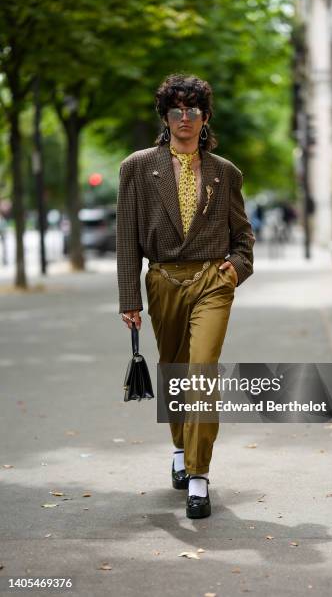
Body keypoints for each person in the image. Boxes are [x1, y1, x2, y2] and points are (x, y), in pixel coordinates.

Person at [116, 73, 255, 518]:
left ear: (205, 117)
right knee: (175, 368)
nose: (184, 119)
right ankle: (180, 447)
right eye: (175, 111)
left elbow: (243, 235)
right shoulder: (138, 167)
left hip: (212, 282)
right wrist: (129, 298)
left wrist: (235, 269)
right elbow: (126, 239)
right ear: (165, 117)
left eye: (192, 111)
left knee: (201, 371)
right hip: (162, 281)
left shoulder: (225, 172)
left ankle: (198, 475)